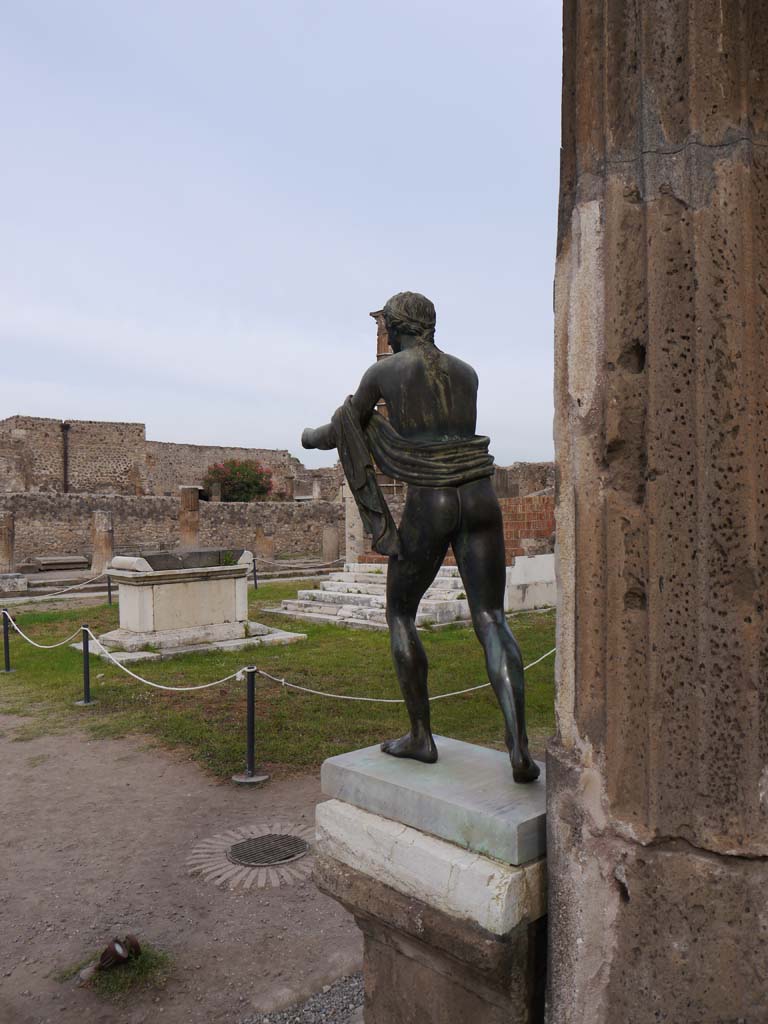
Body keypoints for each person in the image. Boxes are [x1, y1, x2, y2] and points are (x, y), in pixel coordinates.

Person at [302, 291, 540, 783]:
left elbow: (348, 426)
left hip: (430, 498)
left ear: (393, 326)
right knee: (492, 617)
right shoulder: (467, 372)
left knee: (400, 613)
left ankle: (420, 736)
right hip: (480, 495)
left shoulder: (384, 372)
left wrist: (309, 436)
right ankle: (518, 746)